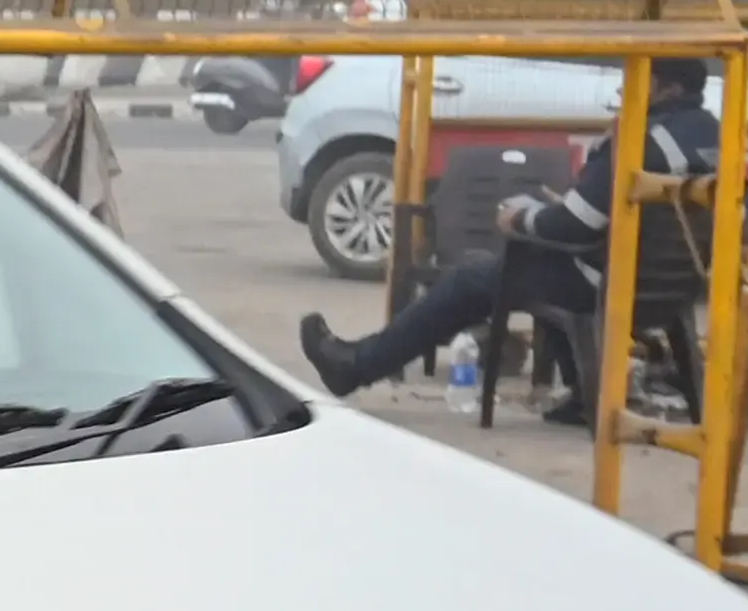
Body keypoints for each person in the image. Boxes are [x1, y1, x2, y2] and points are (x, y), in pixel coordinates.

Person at [301, 78, 720, 429]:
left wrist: (520, 218)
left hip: (608, 283)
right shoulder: (711, 133)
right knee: (536, 267)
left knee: (474, 278)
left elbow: (574, 224)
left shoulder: (641, 140)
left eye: (637, 81)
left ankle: (355, 366)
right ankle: (580, 393)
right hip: (672, 289)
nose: (626, 91)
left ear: (666, 88)